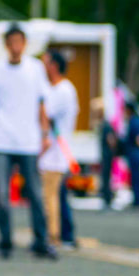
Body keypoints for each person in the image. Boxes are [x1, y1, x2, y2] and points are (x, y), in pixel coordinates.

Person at [0, 25, 55, 260]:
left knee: (34, 192)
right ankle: (5, 240)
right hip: (1, 138)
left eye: (19, 42)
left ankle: (41, 241)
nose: (15, 47)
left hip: (28, 140)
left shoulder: (35, 68)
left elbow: (42, 104)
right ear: (6, 45)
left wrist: (45, 134)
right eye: (11, 42)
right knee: (2, 194)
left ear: (24, 44)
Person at [39, 49, 79, 247]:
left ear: (54, 65)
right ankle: (66, 234)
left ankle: (53, 235)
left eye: (45, 63)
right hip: (55, 150)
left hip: (56, 151)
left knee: (50, 195)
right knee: (58, 195)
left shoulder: (63, 89)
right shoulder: (54, 88)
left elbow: (45, 113)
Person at [122, 101, 139, 209]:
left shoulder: (134, 122)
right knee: (137, 177)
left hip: (135, 153)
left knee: (136, 177)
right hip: (137, 153)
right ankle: (138, 199)